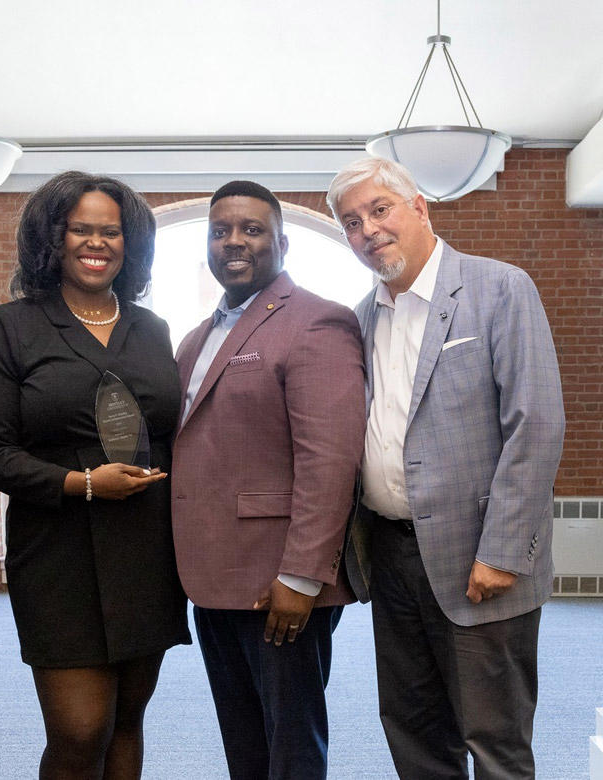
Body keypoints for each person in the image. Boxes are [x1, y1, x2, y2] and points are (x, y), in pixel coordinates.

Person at [328, 157, 565, 780]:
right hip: (391, 553)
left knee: (494, 742)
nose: (369, 230)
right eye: (352, 223)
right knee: (413, 733)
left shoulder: (499, 287)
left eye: (380, 210)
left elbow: (535, 425)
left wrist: (504, 551)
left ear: (419, 208)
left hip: (479, 558)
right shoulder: (360, 318)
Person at [0, 171, 189, 779]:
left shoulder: (152, 329)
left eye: (112, 231)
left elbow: (175, 433)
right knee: (79, 730)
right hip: (58, 549)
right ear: (53, 239)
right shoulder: (12, 325)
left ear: (131, 242)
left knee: (125, 724)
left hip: (147, 550)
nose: (97, 243)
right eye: (81, 229)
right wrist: (83, 484)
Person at [171, 180, 365, 779]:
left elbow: (329, 460)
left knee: (292, 743)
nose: (235, 241)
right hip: (214, 577)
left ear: (283, 243)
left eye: (252, 230)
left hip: (278, 580)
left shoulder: (316, 322)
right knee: (244, 739)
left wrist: (302, 576)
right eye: (221, 230)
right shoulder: (197, 337)